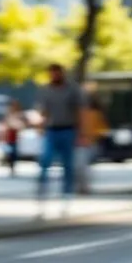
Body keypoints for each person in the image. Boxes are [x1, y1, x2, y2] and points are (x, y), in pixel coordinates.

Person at [35, 63, 84, 203]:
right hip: (51, 130)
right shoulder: (45, 90)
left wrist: (82, 132)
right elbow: (42, 111)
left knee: (68, 163)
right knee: (46, 159)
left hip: (68, 129)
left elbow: (80, 111)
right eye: (52, 73)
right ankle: (42, 189)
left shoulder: (72, 90)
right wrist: (40, 126)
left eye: (57, 73)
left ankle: (67, 191)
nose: (55, 76)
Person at [74, 94, 110, 195]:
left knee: (82, 166)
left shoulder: (95, 114)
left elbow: (103, 130)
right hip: (79, 143)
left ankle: (84, 187)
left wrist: (91, 137)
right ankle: (81, 187)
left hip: (90, 144)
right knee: (79, 166)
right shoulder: (76, 113)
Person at [0, 99, 27, 177]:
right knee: (9, 153)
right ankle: (10, 166)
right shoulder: (9, 114)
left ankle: (12, 167)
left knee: (14, 153)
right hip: (9, 136)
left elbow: (23, 125)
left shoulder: (20, 114)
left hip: (16, 136)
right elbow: (5, 124)